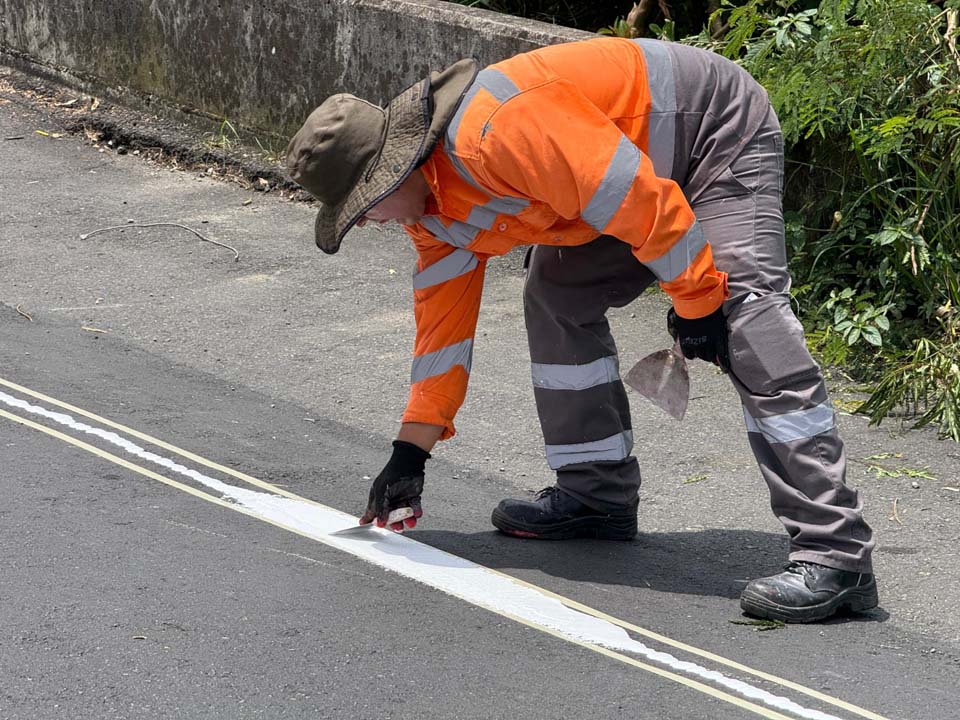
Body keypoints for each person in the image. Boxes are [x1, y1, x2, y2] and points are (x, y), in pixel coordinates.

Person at [285, 37, 878, 623]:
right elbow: (442, 332)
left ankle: (836, 553)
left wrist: (699, 305)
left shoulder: (500, 131)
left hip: (711, 132)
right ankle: (597, 497)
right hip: (632, 179)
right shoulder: (432, 214)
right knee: (556, 294)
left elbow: (645, 204)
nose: (369, 221)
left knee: (748, 318)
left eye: (365, 207)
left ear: (396, 172)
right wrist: (408, 453)